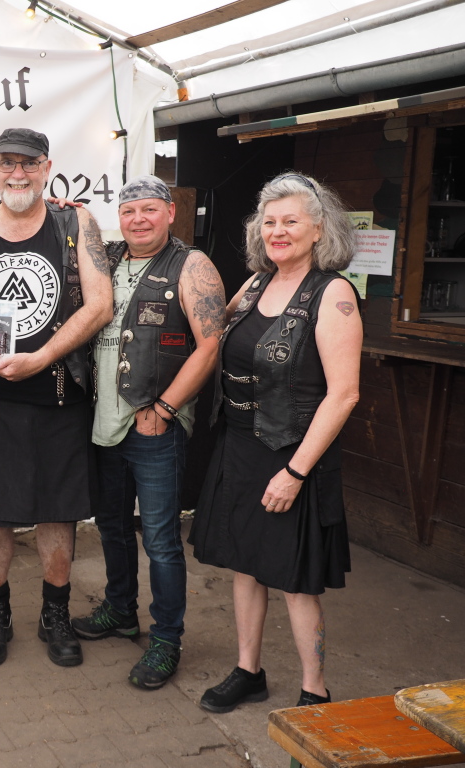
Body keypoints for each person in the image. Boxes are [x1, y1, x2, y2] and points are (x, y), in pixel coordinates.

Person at [189, 172, 361, 712]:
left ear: (319, 229)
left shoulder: (333, 294)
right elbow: (208, 333)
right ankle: (248, 672)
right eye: (269, 223)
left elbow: (344, 395)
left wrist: (295, 473)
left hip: (292, 453)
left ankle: (315, 689)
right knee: (245, 564)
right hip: (240, 445)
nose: (278, 232)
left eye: (291, 221)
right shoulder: (256, 284)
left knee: (295, 579)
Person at [0, 128, 113, 668]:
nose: (18, 173)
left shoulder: (75, 223)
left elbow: (100, 304)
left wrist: (41, 357)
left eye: (29, 164)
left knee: (58, 514)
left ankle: (55, 613)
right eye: (7, 163)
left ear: (47, 168)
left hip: (58, 392)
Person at [69, 175, 226, 689]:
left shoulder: (191, 265)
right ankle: (120, 610)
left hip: (154, 425)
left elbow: (210, 346)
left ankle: (166, 640)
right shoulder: (109, 258)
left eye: (149, 209)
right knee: (111, 526)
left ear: (170, 213)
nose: (138, 219)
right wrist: (72, 212)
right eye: (129, 210)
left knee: (159, 539)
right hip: (103, 422)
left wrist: (165, 407)